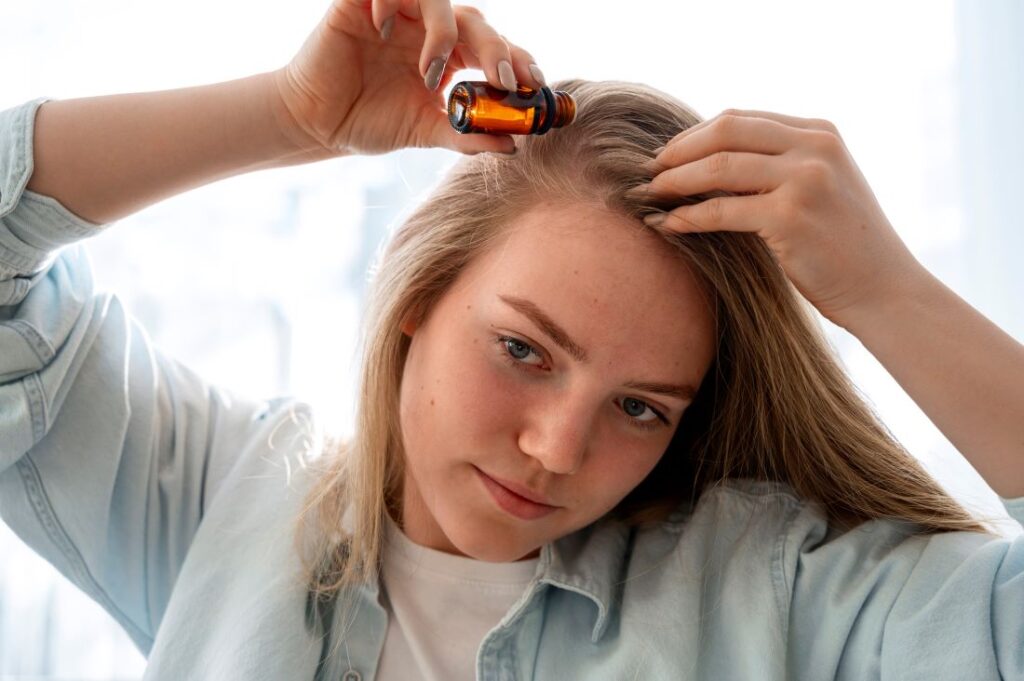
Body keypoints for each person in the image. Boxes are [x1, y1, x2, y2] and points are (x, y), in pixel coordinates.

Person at [1, 0, 1022, 678]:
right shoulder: (215, 505)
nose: (557, 449)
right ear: (421, 296)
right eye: (523, 351)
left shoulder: (768, 592)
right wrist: (290, 116)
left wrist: (890, 294)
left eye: (639, 408)